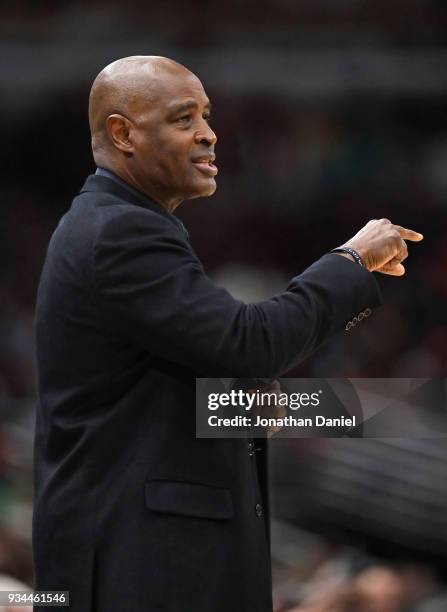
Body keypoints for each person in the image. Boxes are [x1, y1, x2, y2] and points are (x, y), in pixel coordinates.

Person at [32, 56, 423, 612]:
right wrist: (350, 262)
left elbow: (177, 390)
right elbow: (248, 345)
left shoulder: (118, 225)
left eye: (207, 116)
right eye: (183, 118)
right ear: (123, 134)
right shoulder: (121, 231)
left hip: (143, 559)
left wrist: (328, 408)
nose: (209, 134)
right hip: (140, 564)